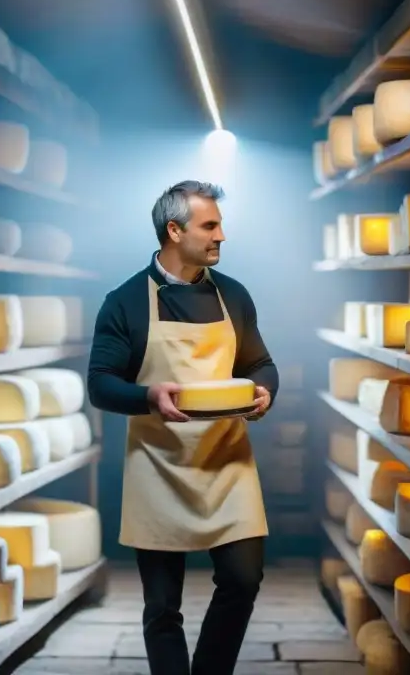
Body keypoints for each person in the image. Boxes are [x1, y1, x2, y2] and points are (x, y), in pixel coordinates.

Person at [87, 180, 279, 675]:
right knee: (162, 608)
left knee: (242, 581)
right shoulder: (126, 300)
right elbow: (101, 385)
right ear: (174, 230)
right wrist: (148, 395)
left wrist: (264, 390)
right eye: (209, 225)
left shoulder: (233, 295)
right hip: (158, 465)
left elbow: (260, 362)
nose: (222, 236)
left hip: (226, 461)